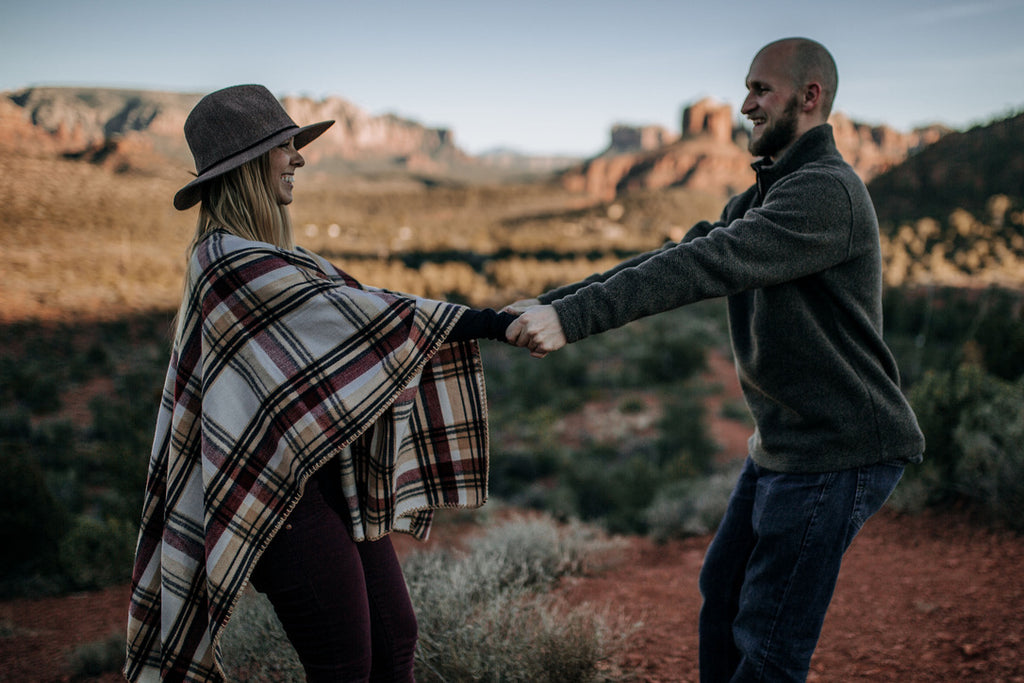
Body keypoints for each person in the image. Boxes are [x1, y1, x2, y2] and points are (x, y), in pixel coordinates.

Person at [506, 38, 925, 682]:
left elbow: (705, 266)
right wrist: (552, 302)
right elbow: (671, 255)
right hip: (786, 442)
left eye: (761, 89)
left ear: (809, 97)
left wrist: (571, 320)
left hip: (838, 446)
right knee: (723, 596)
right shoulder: (767, 195)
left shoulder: (826, 192)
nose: (745, 104)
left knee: (769, 644)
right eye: (747, 89)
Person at [123, 84, 516, 683]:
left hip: (332, 479)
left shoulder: (280, 257)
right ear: (251, 164)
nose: (299, 158)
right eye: (286, 146)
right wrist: (494, 323)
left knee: (395, 640)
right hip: (277, 494)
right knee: (345, 664)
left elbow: (353, 311)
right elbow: (370, 319)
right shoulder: (226, 263)